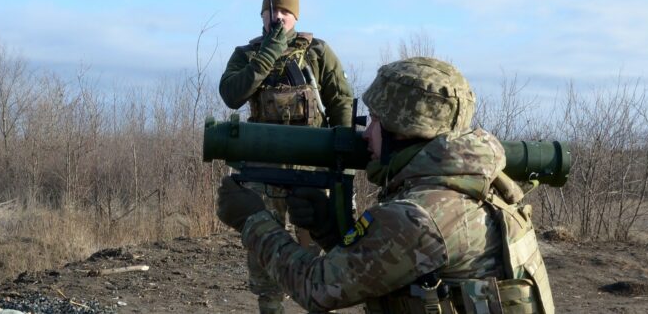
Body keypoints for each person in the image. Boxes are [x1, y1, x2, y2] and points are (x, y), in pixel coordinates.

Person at [217, 57, 555, 313]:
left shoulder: (420, 216)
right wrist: (331, 231)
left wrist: (253, 220)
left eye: (376, 120)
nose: (367, 132)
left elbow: (317, 287)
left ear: (404, 132)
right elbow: (401, 268)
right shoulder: (479, 181)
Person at [218, 0, 353, 313]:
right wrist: (268, 52)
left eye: (285, 12)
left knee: (318, 246)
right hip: (264, 168)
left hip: (313, 168)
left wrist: (343, 161)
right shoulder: (247, 55)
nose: (278, 17)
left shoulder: (317, 52)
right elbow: (231, 94)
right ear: (262, 15)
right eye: (271, 11)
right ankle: (272, 307)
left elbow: (341, 101)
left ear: (295, 16)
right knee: (263, 248)